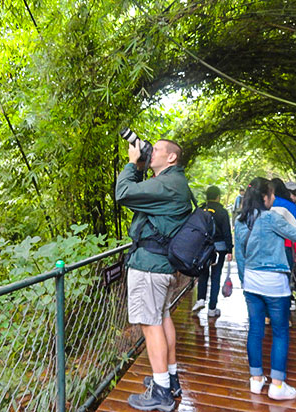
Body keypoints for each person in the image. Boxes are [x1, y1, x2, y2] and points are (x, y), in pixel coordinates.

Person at [116, 138, 191, 412]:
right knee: (162, 318)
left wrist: (132, 163)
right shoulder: (173, 182)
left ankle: (161, 392)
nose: (151, 152)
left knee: (151, 325)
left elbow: (123, 192)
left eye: (156, 149)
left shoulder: (167, 183)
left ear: (171, 158)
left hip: (150, 266)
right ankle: (169, 379)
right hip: (162, 266)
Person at [234, 177, 296, 400]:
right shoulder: (272, 218)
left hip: (251, 281)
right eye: (271, 194)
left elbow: (240, 256)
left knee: (255, 330)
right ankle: (277, 385)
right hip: (274, 283)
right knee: (279, 332)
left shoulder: (241, 221)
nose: (274, 198)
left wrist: (244, 280)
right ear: (264, 197)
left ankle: (256, 380)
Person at [192, 185, 233, 317]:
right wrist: (229, 249)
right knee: (216, 277)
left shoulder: (201, 209)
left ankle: (200, 299)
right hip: (219, 248)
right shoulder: (222, 212)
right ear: (218, 197)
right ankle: (212, 308)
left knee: (203, 273)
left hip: (203, 247)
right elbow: (227, 231)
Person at [271, 179, 296, 312]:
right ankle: (284, 313)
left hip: (268, 247)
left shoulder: (267, 203)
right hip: (286, 247)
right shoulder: (291, 207)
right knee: (284, 280)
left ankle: (267, 314)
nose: (294, 196)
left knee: (270, 279)